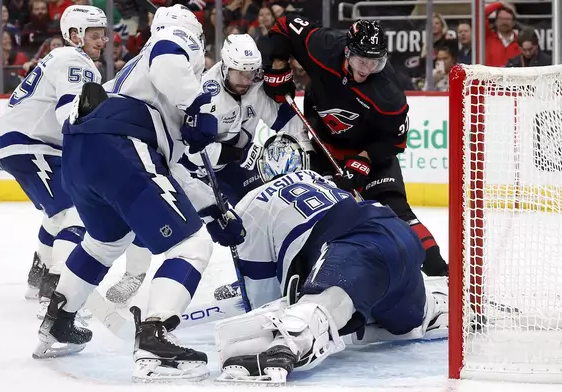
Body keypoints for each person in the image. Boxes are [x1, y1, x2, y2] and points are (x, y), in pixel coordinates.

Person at [34, 5, 246, 383]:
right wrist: (200, 107)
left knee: (106, 241)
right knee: (191, 246)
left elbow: (173, 169)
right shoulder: (172, 45)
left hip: (83, 151)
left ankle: (59, 320)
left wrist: (215, 211)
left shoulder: (138, 78)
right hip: (121, 145)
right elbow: (168, 51)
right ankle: (155, 337)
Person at [213, 135, 448, 383]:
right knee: (409, 321)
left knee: (322, 306)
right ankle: (440, 304)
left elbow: (263, 293)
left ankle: (290, 342)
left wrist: (275, 318)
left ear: (262, 169)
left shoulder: (250, 204)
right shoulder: (320, 179)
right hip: (397, 232)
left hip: (356, 248)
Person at [261, 16, 448, 277]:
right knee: (318, 215)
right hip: (323, 148)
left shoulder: (389, 94)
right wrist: (279, 66)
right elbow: (283, 25)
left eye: (375, 62)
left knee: (395, 211)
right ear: (347, 51)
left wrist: (364, 159)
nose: (367, 69)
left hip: (371, 153)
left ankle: (441, 272)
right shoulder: (324, 46)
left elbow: (395, 141)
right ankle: (297, 275)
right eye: (362, 61)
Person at [0, 5, 107, 314]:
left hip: (29, 143)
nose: (102, 41)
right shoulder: (75, 61)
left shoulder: (63, 58)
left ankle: (36, 278)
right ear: (75, 35)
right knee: (75, 210)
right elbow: (68, 113)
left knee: (56, 214)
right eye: (94, 35)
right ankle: (56, 291)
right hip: (30, 143)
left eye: (103, 34)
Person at [182, 33, 311, 206]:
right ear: (225, 69)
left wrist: (309, 155)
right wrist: (240, 154)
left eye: (250, 73)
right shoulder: (205, 95)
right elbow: (193, 151)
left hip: (233, 167)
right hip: (195, 173)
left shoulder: (255, 86)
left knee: (263, 205)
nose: (246, 81)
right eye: (240, 74)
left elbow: (289, 124)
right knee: (220, 219)